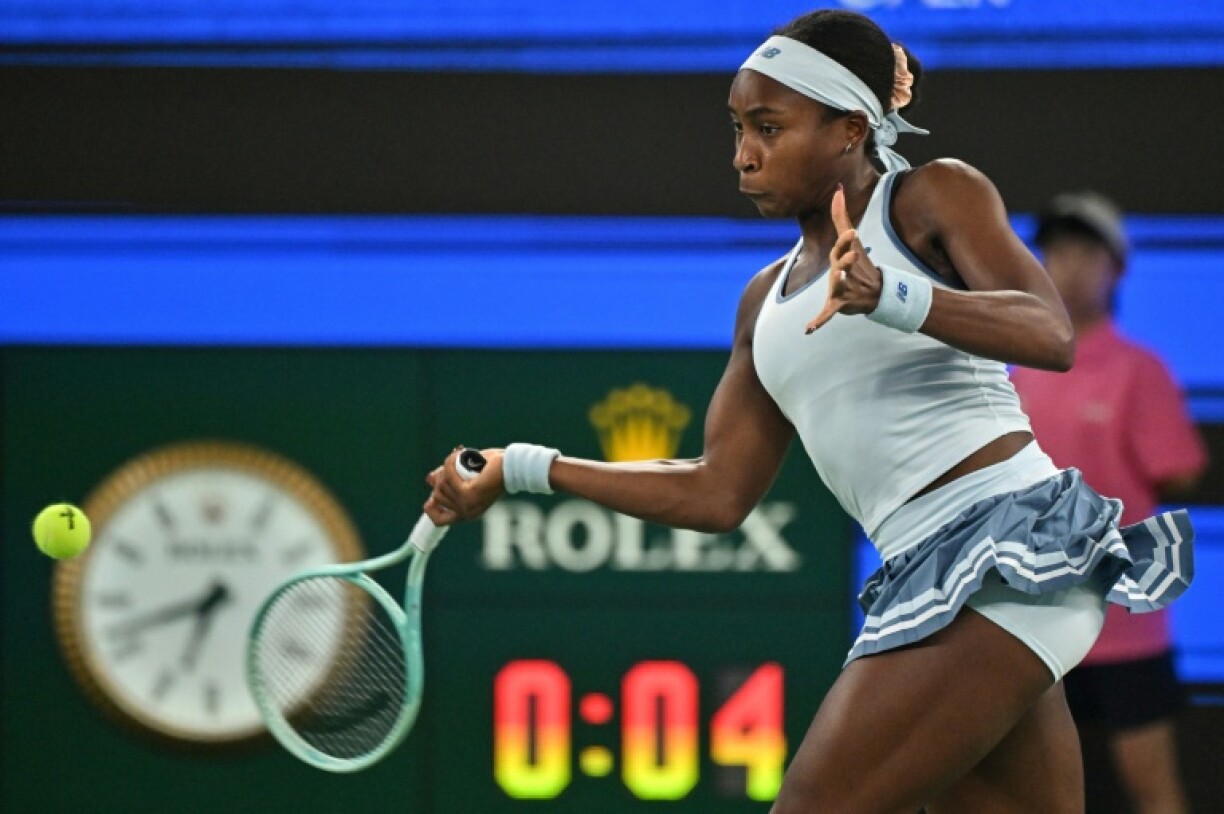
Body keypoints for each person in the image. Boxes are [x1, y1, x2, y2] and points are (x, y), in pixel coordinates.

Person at [423, 9, 1195, 813]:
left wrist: (894, 295)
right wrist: (525, 468)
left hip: (1005, 553)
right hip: (932, 576)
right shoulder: (763, 303)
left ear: (851, 130)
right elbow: (717, 490)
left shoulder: (933, 197)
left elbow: (1049, 332)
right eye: (737, 128)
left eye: (768, 126)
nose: (744, 155)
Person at [1012, 192, 1207, 814]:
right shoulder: (1016, 373)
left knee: (1154, 791)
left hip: (1127, 622)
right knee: (1030, 795)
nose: (1066, 266)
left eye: (1084, 252)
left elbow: (1179, 470)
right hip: (1034, 620)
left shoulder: (1140, 371)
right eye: (1055, 251)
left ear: (1116, 267)